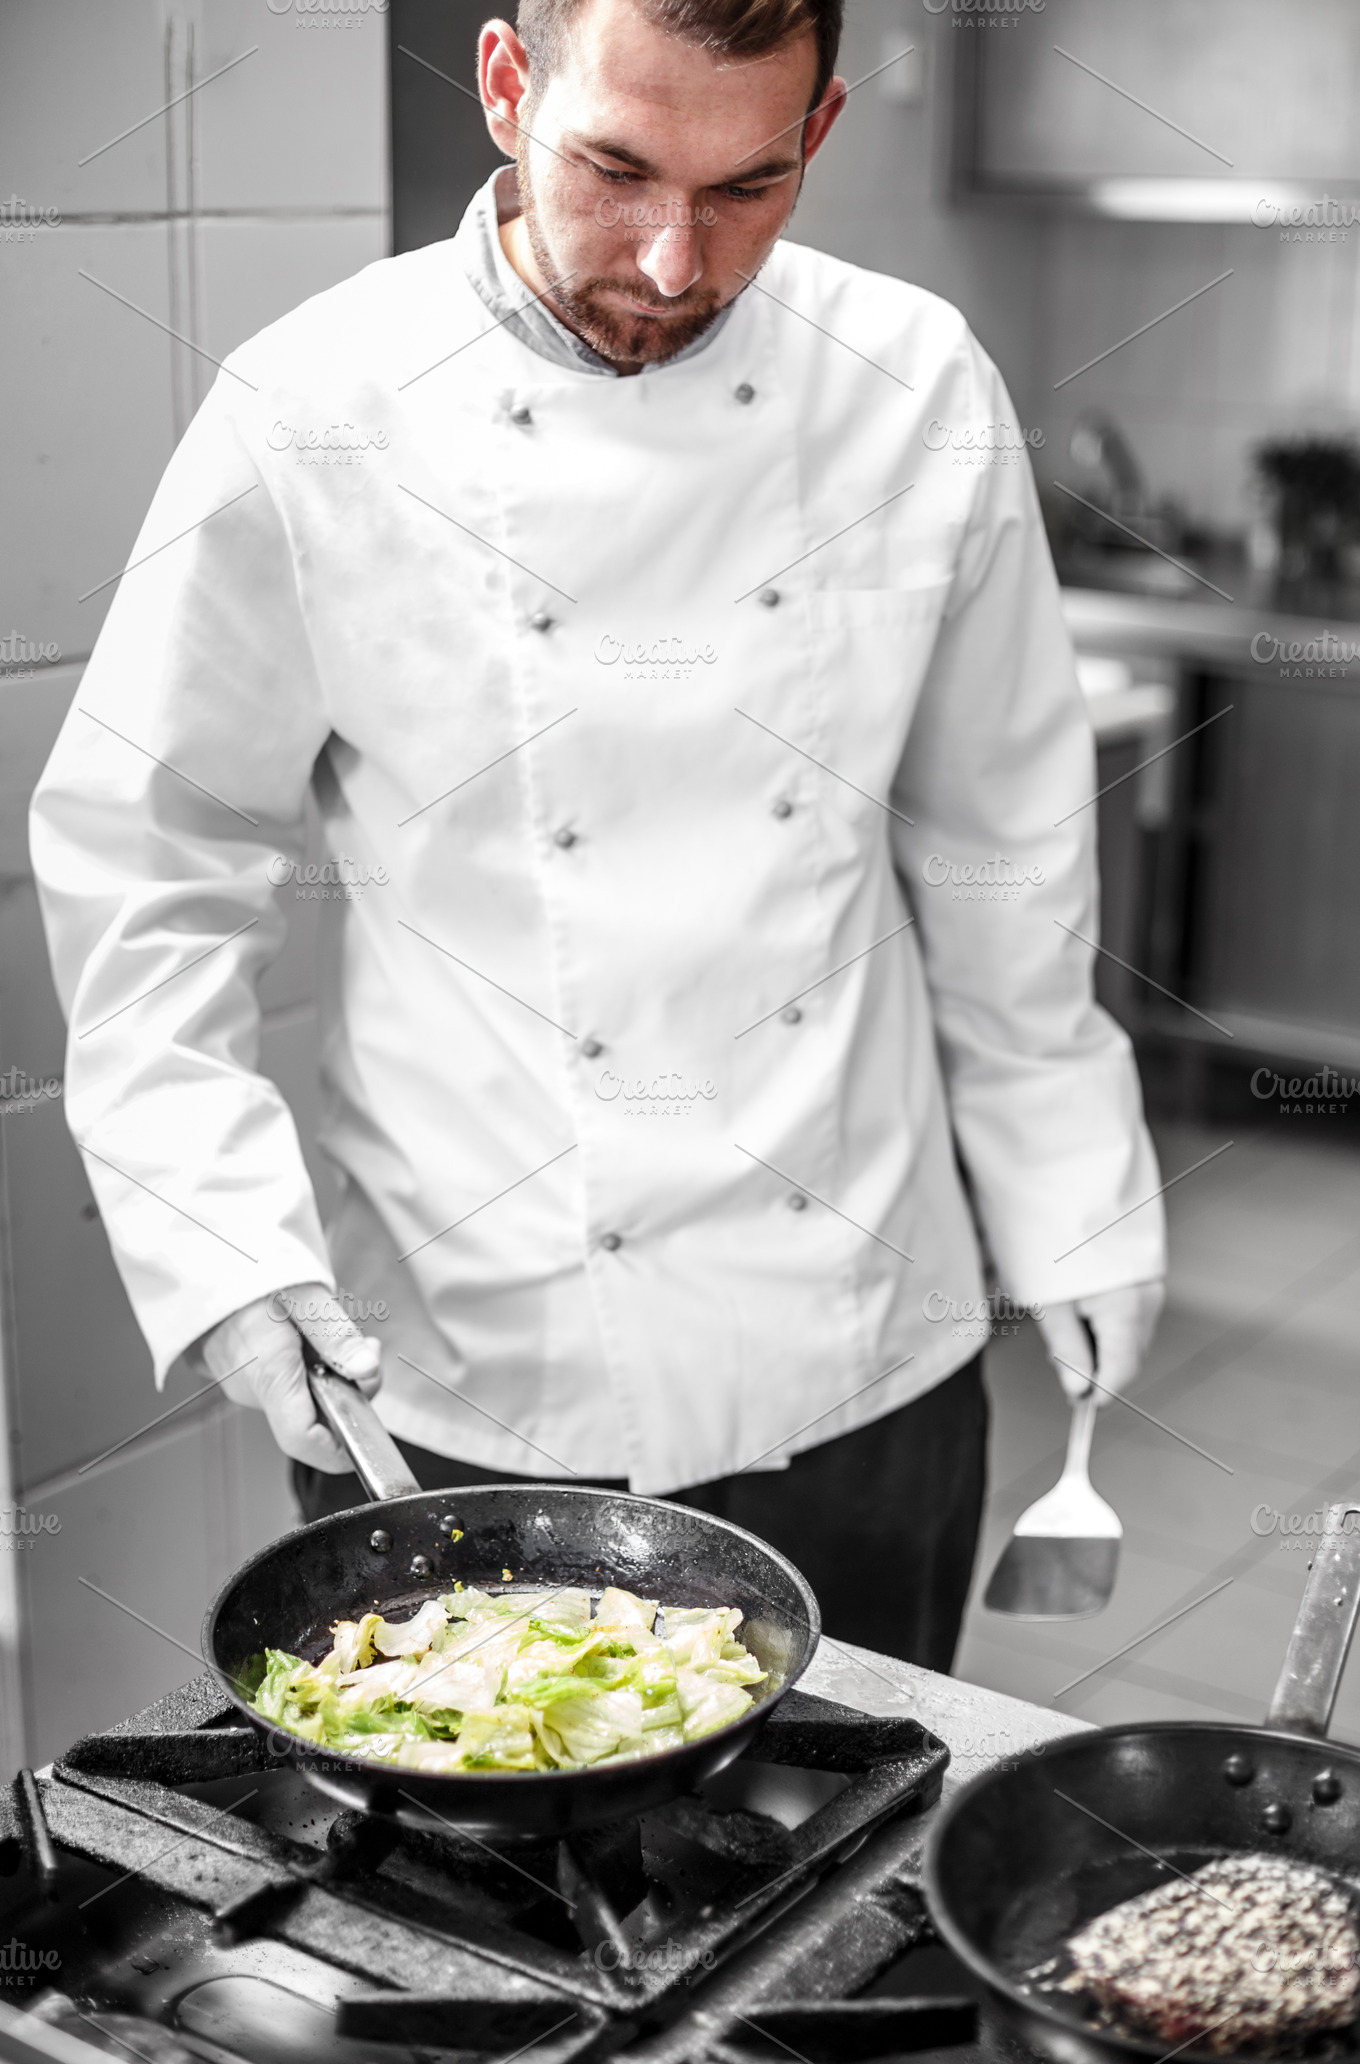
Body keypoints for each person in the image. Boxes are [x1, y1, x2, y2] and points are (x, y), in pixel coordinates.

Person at [30, 0, 1165, 1672]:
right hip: (474, 1367)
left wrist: (1074, 1190)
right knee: (486, 1893)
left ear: (821, 131)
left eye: (745, 189)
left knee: (854, 1882)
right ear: (507, 85)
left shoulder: (913, 381)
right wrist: (220, 1248)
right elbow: (156, 860)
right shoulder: (320, 405)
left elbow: (1002, 836)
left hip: (859, 1338)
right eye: (614, 166)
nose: (671, 260)